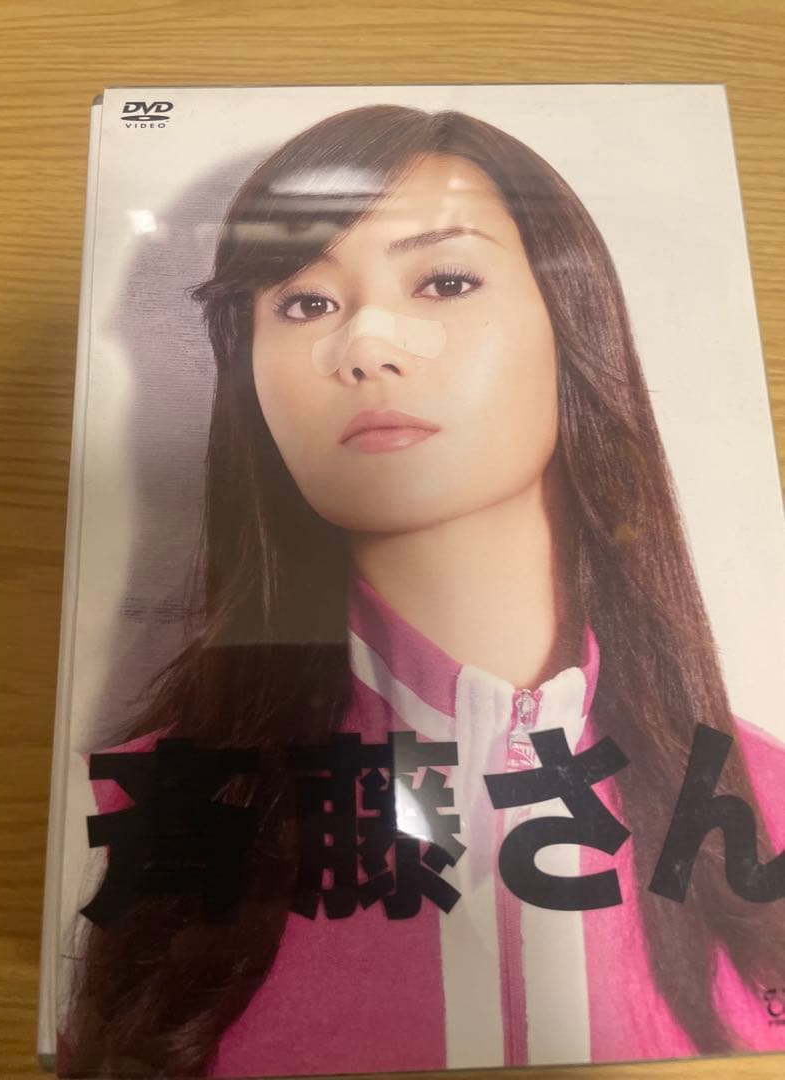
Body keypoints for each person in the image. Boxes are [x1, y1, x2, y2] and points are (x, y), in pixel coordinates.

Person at [62, 104, 785, 1078]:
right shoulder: (123, 818)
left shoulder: (768, 800)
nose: (367, 345)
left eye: (445, 281)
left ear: (571, 323)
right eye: (305, 303)